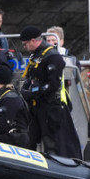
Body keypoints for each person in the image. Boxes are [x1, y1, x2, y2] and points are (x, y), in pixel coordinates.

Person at [19, 25, 82, 159]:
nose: (24, 47)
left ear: (33, 41)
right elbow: (29, 77)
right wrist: (24, 91)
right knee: (29, 138)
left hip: (50, 106)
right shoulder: (34, 56)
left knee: (51, 142)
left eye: (25, 44)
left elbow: (53, 84)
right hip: (35, 107)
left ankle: (55, 166)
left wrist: (33, 93)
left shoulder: (53, 56)